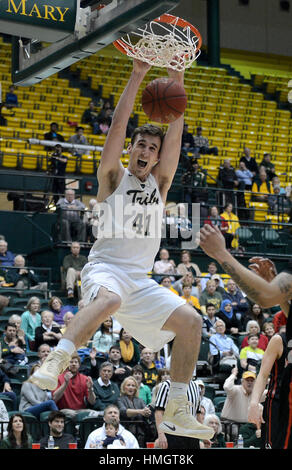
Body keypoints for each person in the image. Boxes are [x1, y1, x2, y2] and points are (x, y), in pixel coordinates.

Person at [30, 58, 213, 441]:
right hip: (105, 268)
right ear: (132, 149)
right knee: (110, 301)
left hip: (139, 281)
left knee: (192, 322)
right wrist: (138, 75)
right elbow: (117, 127)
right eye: (141, 145)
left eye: (153, 147)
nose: (146, 151)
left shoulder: (160, 185)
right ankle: (57, 357)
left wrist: (177, 80)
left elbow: (174, 138)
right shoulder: (113, 177)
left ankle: (178, 405)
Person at [154, 378, 201, 449]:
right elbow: (159, 412)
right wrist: (161, 434)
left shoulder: (196, 386)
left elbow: (198, 413)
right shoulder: (167, 385)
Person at [52, 353, 96, 419]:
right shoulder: (58, 378)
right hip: (63, 410)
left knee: (94, 414)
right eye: (71, 362)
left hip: (80, 411)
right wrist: (66, 383)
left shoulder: (84, 379)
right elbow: (54, 398)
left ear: (79, 365)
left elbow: (92, 402)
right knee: (72, 414)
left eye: (76, 362)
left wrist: (90, 389)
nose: (74, 364)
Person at [117, 376, 153, 447]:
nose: (131, 387)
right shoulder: (120, 399)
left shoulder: (140, 400)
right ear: (124, 387)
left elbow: (147, 412)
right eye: (128, 385)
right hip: (126, 431)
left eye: (133, 386)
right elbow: (123, 412)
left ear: (136, 388)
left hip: (141, 432)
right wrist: (140, 411)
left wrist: (147, 412)